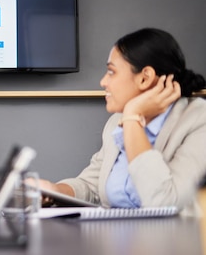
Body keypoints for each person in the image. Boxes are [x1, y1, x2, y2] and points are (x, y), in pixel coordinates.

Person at [39, 28, 206, 215]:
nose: (103, 82)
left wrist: (132, 117)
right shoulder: (116, 122)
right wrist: (54, 191)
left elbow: (164, 202)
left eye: (111, 72)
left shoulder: (199, 120)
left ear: (145, 78)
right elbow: (91, 186)